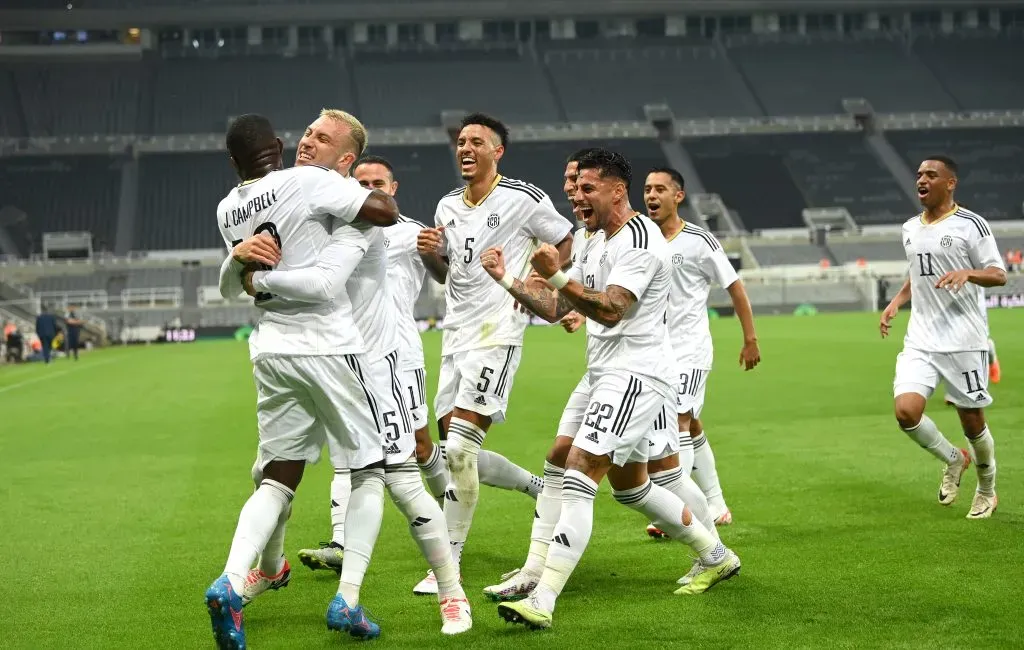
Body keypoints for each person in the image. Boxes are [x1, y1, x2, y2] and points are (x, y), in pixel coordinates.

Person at [483, 149, 740, 630]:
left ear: (617, 190)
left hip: (636, 374)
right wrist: (508, 280)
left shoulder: (640, 241)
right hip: (603, 371)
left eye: (587, 189)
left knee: (581, 468)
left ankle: (543, 596)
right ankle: (716, 554)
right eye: (575, 188)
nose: (576, 197)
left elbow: (612, 308)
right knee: (617, 480)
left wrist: (558, 274)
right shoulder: (589, 238)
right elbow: (559, 307)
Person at [204, 113, 399, 649]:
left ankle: (231, 578)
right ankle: (349, 600)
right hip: (329, 345)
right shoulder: (307, 180)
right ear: (281, 147)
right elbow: (383, 210)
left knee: (277, 476)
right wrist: (352, 189)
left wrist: (248, 270)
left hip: (271, 349)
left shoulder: (227, 209)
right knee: (368, 472)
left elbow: (232, 287)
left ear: (233, 161)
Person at [281, 112, 471, 635]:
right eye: (308, 133)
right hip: (325, 368)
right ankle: (302, 574)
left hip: (385, 364)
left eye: (374, 183)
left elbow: (440, 269)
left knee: (408, 471)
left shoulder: (390, 224)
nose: (306, 142)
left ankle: (452, 591)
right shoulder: (312, 215)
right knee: (329, 472)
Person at [413, 112, 573, 593]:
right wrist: (428, 254)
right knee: (455, 454)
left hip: (498, 332)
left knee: (459, 449)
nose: (465, 148)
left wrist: (545, 285)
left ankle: (447, 564)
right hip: (455, 336)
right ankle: (535, 486)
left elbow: (566, 239)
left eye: (476, 141)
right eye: (461, 141)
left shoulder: (522, 199)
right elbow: (446, 274)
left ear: (496, 151)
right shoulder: (446, 206)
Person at [879, 155, 1006, 520]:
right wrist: (897, 302)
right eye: (919, 174)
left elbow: (998, 274)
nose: (922, 179)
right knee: (906, 412)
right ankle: (953, 459)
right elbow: (918, 271)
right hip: (921, 338)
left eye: (931, 175)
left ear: (950, 183)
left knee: (972, 420)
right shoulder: (909, 227)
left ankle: (987, 489)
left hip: (964, 339)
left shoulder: (971, 225)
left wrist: (968, 272)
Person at [642, 167, 761, 535]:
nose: (651, 195)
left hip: (689, 350)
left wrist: (750, 338)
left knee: (677, 422)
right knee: (691, 425)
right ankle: (716, 501)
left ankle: (678, 513)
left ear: (678, 196)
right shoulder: (641, 238)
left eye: (660, 189)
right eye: (646, 189)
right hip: (654, 351)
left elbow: (735, 287)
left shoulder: (699, 240)